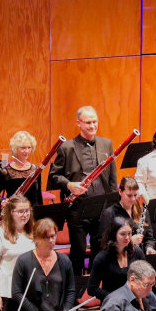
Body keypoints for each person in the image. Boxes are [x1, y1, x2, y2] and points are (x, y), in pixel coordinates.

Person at [48, 106, 116, 272]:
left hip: (102, 206)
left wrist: (114, 205)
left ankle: (94, 284)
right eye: (88, 122)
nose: (92, 126)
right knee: (78, 251)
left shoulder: (106, 144)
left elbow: (112, 177)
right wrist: (69, 185)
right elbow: (54, 176)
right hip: (77, 208)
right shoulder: (67, 147)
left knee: (100, 249)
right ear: (79, 123)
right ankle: (76, 285)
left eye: (94, 122)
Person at [0, 196, 35, 311]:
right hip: (8, 292)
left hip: (30, 291)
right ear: (11, 213)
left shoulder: (34, 231)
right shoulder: (0, 234)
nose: (25, 214)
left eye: (27, 211)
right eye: (20, 211)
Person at [88, 221, 146, 301]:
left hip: (135, 301)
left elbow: (145, 278)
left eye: (129, 233)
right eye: (122, 234)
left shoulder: (137, 252)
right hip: (113, 304)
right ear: (113, 235)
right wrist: (116, 297)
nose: (127, 237)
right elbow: (92, 289)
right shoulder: (102, 258)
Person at [98, 176, 155, 254]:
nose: (133, 199)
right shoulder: (109, 213)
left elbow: (149, 238)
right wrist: (129, 241)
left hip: (139, 256)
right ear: (120, 192)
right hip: (118, 257)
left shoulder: (142, 211)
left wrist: (149, 248)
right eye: (129, 195)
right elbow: (103, 243)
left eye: (135, 195)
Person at [0, 130, 43, 206]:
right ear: (15, 148)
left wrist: (41, 211)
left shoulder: (35, 170)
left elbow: (39, 195)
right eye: (23, 148)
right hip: (14, 210)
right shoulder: (6, 171)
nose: (27, 151)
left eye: (29, 147)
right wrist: (3, 201)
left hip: (33, 211)